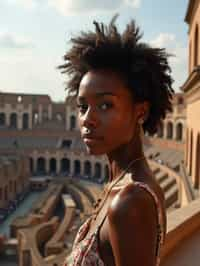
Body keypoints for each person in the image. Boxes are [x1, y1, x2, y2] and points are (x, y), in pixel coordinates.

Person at [59, 15, 174, 266]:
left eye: (105, 105)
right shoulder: (122, 184)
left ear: (140, 112)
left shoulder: (130, 201)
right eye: (82, 106)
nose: (88, 119)